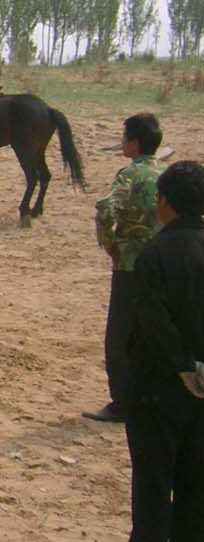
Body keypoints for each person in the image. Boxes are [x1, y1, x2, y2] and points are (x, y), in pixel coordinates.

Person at [90, 160, 204, 542]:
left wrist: (182, 366)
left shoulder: (155, 253)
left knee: (155, 481)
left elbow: (153, 322)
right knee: (196, 479)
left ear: (165, 203)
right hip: (200, 386)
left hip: (160, 385)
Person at [88, 113, 166, 422]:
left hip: (130, 262)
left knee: (120, 335)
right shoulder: (166, 173)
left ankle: (122, 401)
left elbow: (106, 207)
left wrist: (109, 241)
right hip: (163, 262)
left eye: (124, 137)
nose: (122, 142)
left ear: (134, 143)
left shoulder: (131, 175)